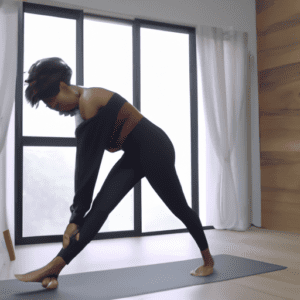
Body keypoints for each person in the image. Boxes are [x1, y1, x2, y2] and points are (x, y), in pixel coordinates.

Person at [15, 57, 214, 290]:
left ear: (62, 86)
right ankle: (55, 268)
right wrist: (77, 216)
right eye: (52, 107)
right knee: (101, 207)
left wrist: (75, 219)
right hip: (134, 155)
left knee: (179, 207)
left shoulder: (89, 101)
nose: (58, 109)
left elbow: (87, 169)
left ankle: (208, 261)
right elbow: (89, 162)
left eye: (55, 103)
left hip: (156, 150)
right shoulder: (82, 107)